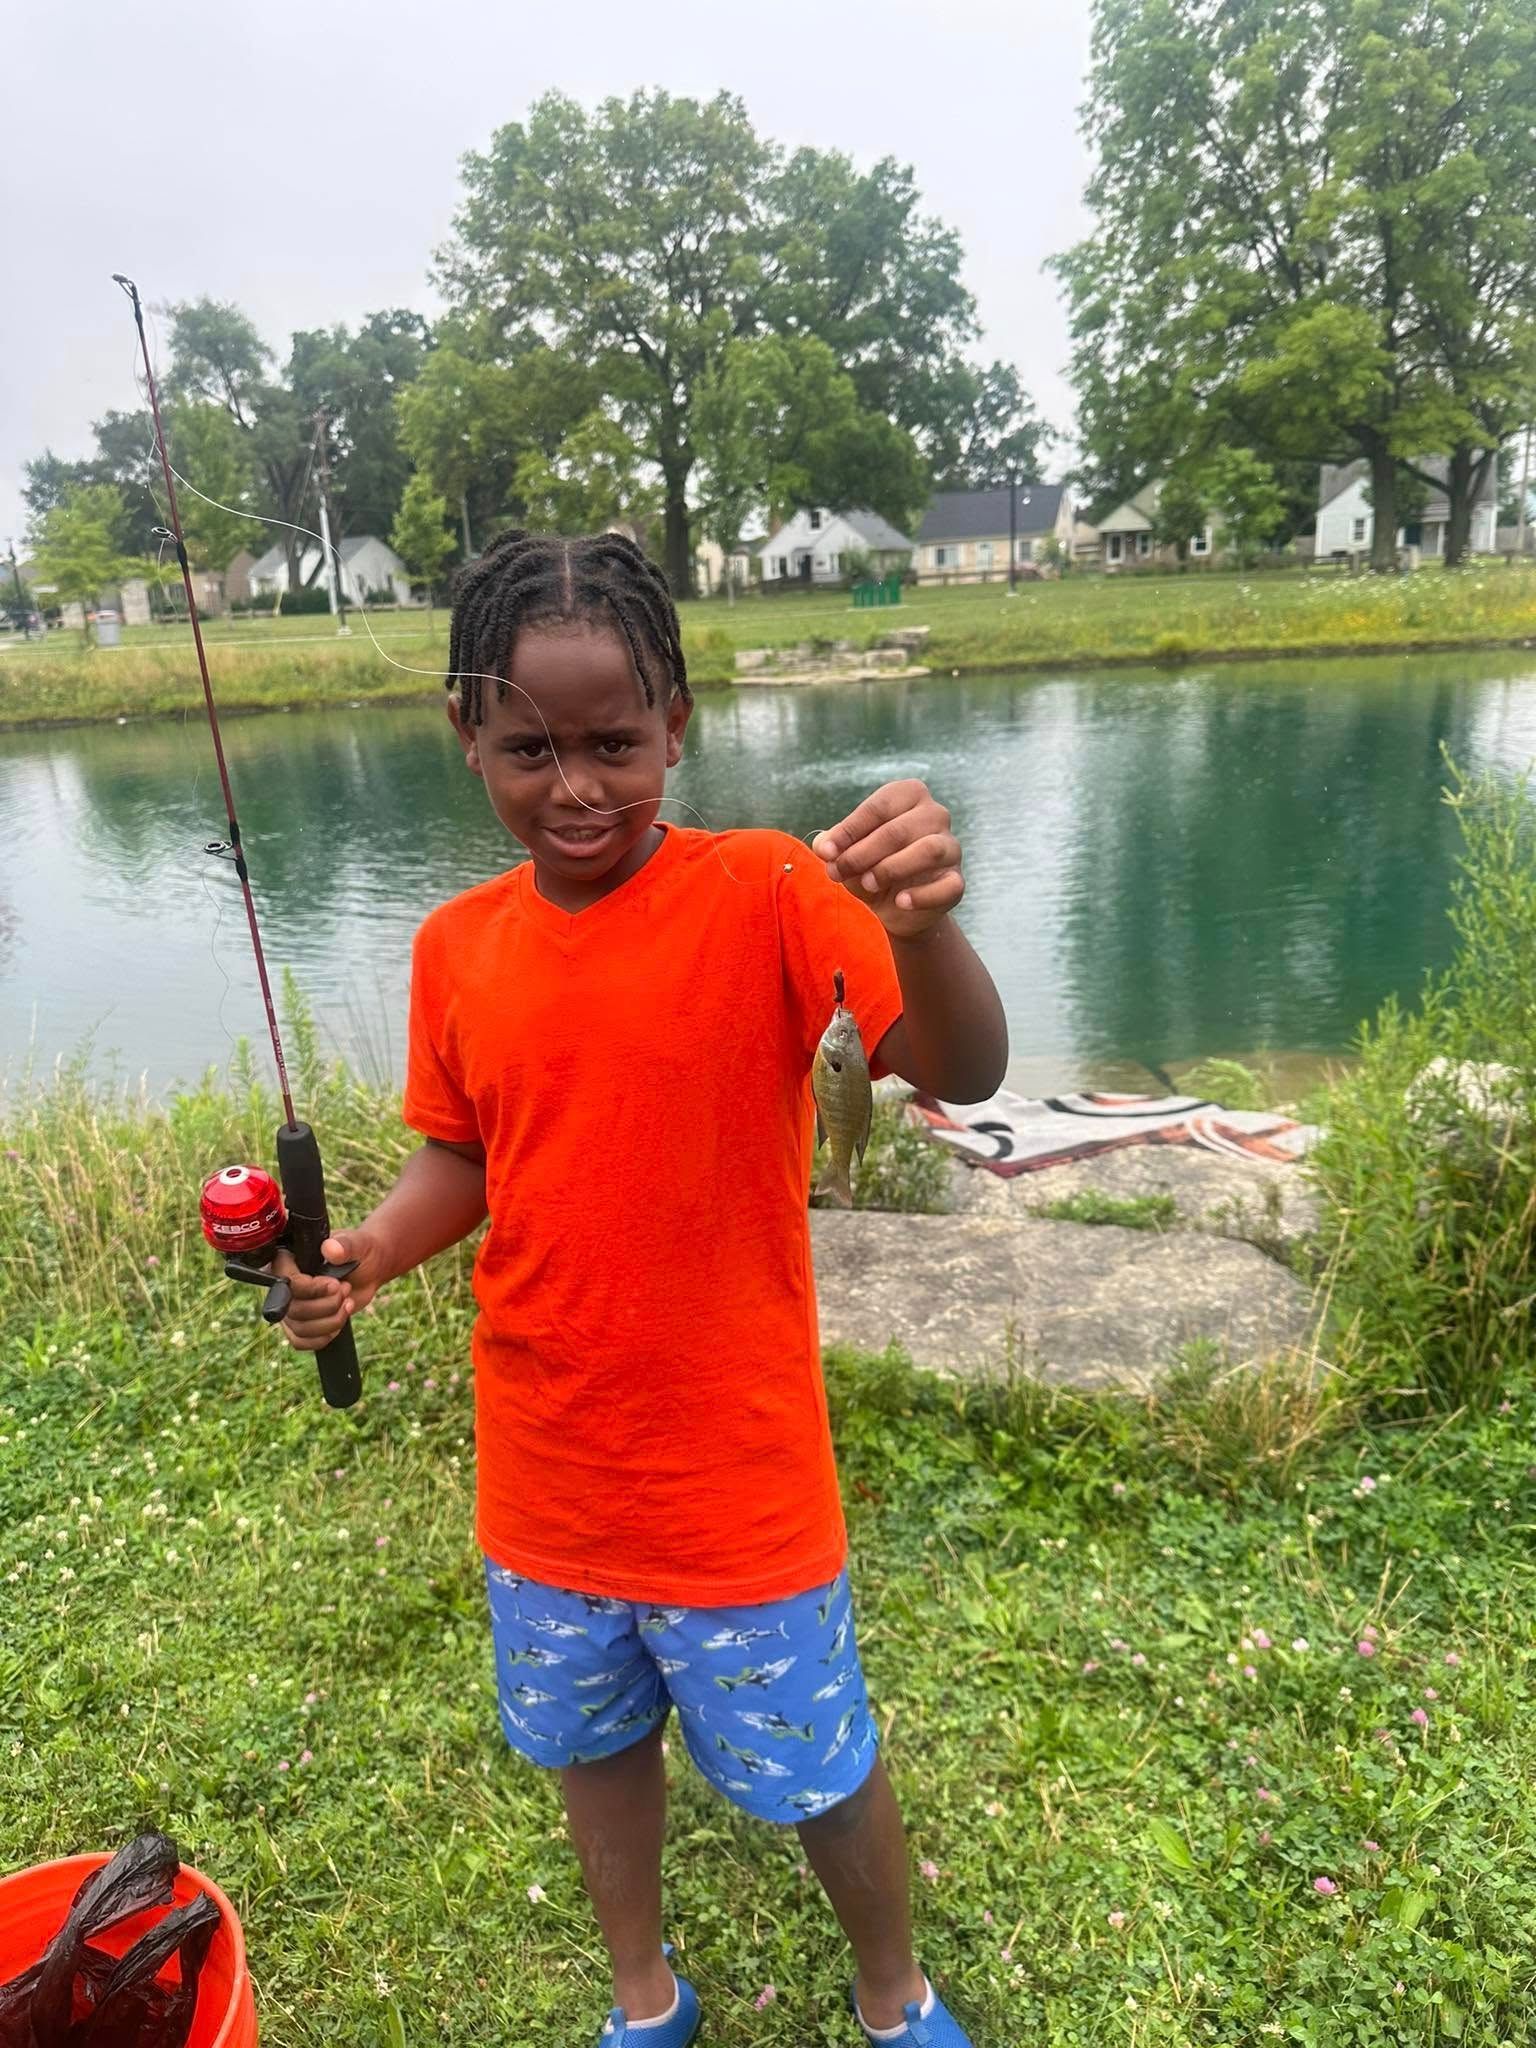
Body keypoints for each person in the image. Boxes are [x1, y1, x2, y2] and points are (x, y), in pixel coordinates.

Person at [276, 531, 1008, 2047]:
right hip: (548, 1480)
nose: (579, 785)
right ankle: (643, 1993)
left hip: (740, 1480)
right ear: (464, 735)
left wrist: (924, 931)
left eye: (617, 742)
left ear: (680, 722)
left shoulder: (774, 891)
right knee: (595, 1750)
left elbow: (959, 1066)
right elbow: (464, 1159)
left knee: (818, 1762)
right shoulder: (454, 947)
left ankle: (894, 1990)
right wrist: (365, 1255)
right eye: (530, 747)